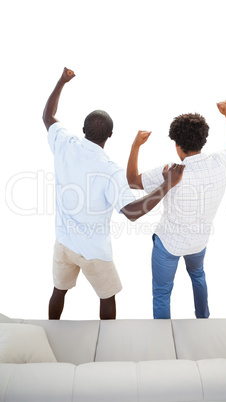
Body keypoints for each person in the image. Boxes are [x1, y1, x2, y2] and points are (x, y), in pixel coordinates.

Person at [42, 67, 185, 320]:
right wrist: (167, 184)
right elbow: (131, 213)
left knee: (58, 291)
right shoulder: (110, 171)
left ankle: (52, 330)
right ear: (110, 135)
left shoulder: (65, 143)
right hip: (94, 250)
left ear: (83, 129)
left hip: (63, 242)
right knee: (107, 297)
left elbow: (48, 115)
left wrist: (62, 81)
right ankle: (106, 344)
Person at [127, 101, 226, 319]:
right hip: (199, 242)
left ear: (177, 145)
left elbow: (132, 181)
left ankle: (164, 340)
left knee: (162, 292)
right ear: (203, 140)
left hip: (168, 246)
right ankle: (203, 319)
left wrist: (135, 146)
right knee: (198, 276)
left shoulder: (170, 171)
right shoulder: (221, 162)